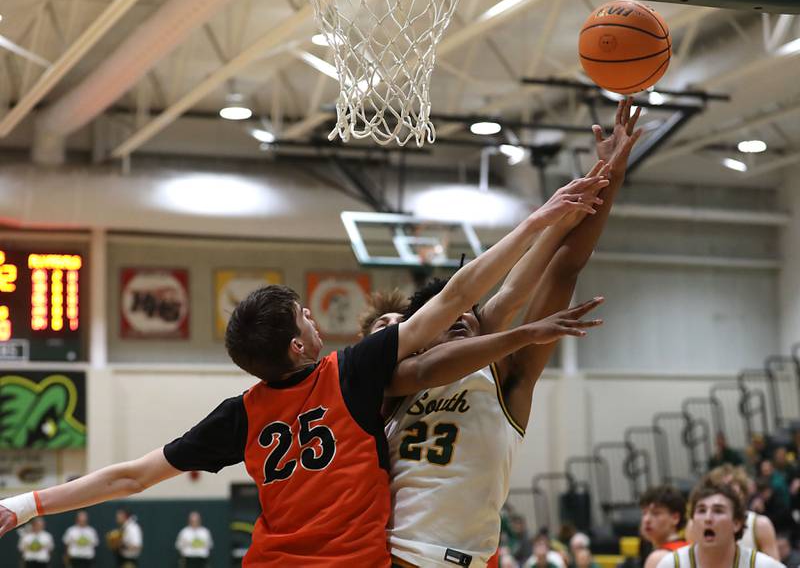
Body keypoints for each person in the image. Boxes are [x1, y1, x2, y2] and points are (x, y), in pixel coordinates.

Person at [0, 169, 606, 567]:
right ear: (297, 345)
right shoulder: (351, 373)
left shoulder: (240, 414)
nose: (316, 319)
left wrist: (26, 504)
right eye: (304, 316)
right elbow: (453, 300)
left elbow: (130, 477)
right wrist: (536, 220)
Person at [383, 98, 642, 568]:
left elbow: (563, 268)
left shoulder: (507, 382)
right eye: (447, 320)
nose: (461, 319)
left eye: (470, 316)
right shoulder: (398, 383)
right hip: (389, 553)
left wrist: (611, 172)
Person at [655, 482, 784, 568]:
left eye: (718, 511)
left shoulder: (762, 565)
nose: (708, 518)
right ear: (693, 522)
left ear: (737, 523)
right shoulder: (671, 564)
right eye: (701, 510)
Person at [687, 463, 780, 559]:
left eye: (732, 491)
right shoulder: (695, 525)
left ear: (743, 494)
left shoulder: (760, 524)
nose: (727, 497)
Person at [639, 485, 689, 568]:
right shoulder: (690, 549)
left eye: (656, 513)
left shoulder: (658, 557)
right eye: (644, 513)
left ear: (675, 518)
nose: (646, 520)